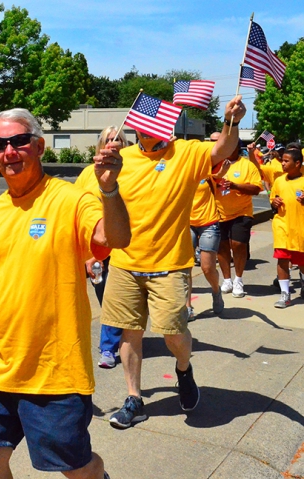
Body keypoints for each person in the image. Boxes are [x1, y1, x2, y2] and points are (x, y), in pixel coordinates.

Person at [0, 108, 131, 479]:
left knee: (75, 468)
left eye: (18, 141)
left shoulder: (70, 199)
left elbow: (114, 239)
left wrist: (109, 189)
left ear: (39, 146)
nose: (9, 152)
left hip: (55, 370)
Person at [101, 95, 247, 429]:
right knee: (129, 334)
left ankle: (183, 369)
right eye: (142, 125)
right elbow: (87, 202)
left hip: (169, 263)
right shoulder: (119, 159)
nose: (151, 131)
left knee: (172, 332)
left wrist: (232, 122)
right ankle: (134, 399)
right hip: (124, 263)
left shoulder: (186, 152)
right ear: (135, 127)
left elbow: (222, 149)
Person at [75, 126, 128, 369]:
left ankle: (108, 348)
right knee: (104, 296)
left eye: (118, 138)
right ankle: (117, 338)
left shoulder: (133, 170)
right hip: (96, 248)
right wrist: (86, 253)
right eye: (109, 138)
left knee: (114, 298)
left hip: (126, 246)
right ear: (101, 144)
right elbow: (75, 212)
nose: (113, 142)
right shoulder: (87, 173)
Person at [212, 141, 262, 298]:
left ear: (237, 148)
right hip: (218, 212)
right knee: (222, 247)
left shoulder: (247, 166)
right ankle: (227, 280)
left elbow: (256, 189)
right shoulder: (216, 164)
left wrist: (235, 186)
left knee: (238, 245)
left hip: (242, 212)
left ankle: (238, 279)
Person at [187, 164, 224, 319]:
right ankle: (187, 306)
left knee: (207, 267)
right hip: (186, 224)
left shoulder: (209, 174)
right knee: (185, 267)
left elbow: (220, 174)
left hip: (209, 223)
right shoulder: (180, 173)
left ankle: (216, 290)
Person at [270, 148, 304, 308]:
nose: (282, 163)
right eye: (282, 160)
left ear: (297, 163)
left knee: (302, 262)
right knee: (282, 259)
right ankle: (285, 294)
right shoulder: (279, 181)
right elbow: (273, 199)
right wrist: (274, 203)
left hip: (300, 229)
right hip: (282, 226)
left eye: (286, 161)